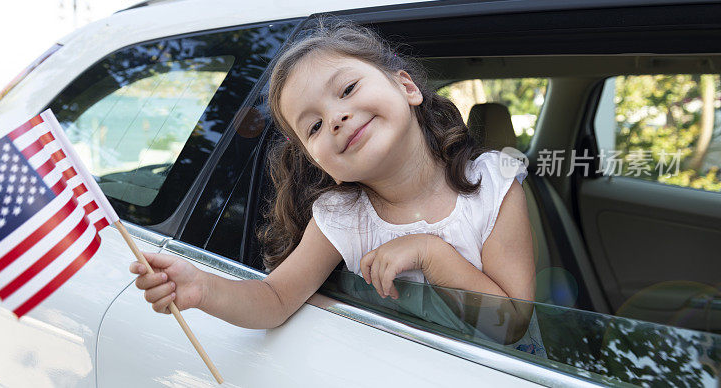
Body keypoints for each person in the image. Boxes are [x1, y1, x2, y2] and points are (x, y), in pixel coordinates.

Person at [129, 17, 541, 351]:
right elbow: (274, 299)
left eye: (347, 89)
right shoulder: (343, 218)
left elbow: (511, 325)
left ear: (407, 86)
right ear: (322, 165)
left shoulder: (491, 184)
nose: (337, 119)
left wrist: (431, 254)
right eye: (314, 125)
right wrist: (203, 287)